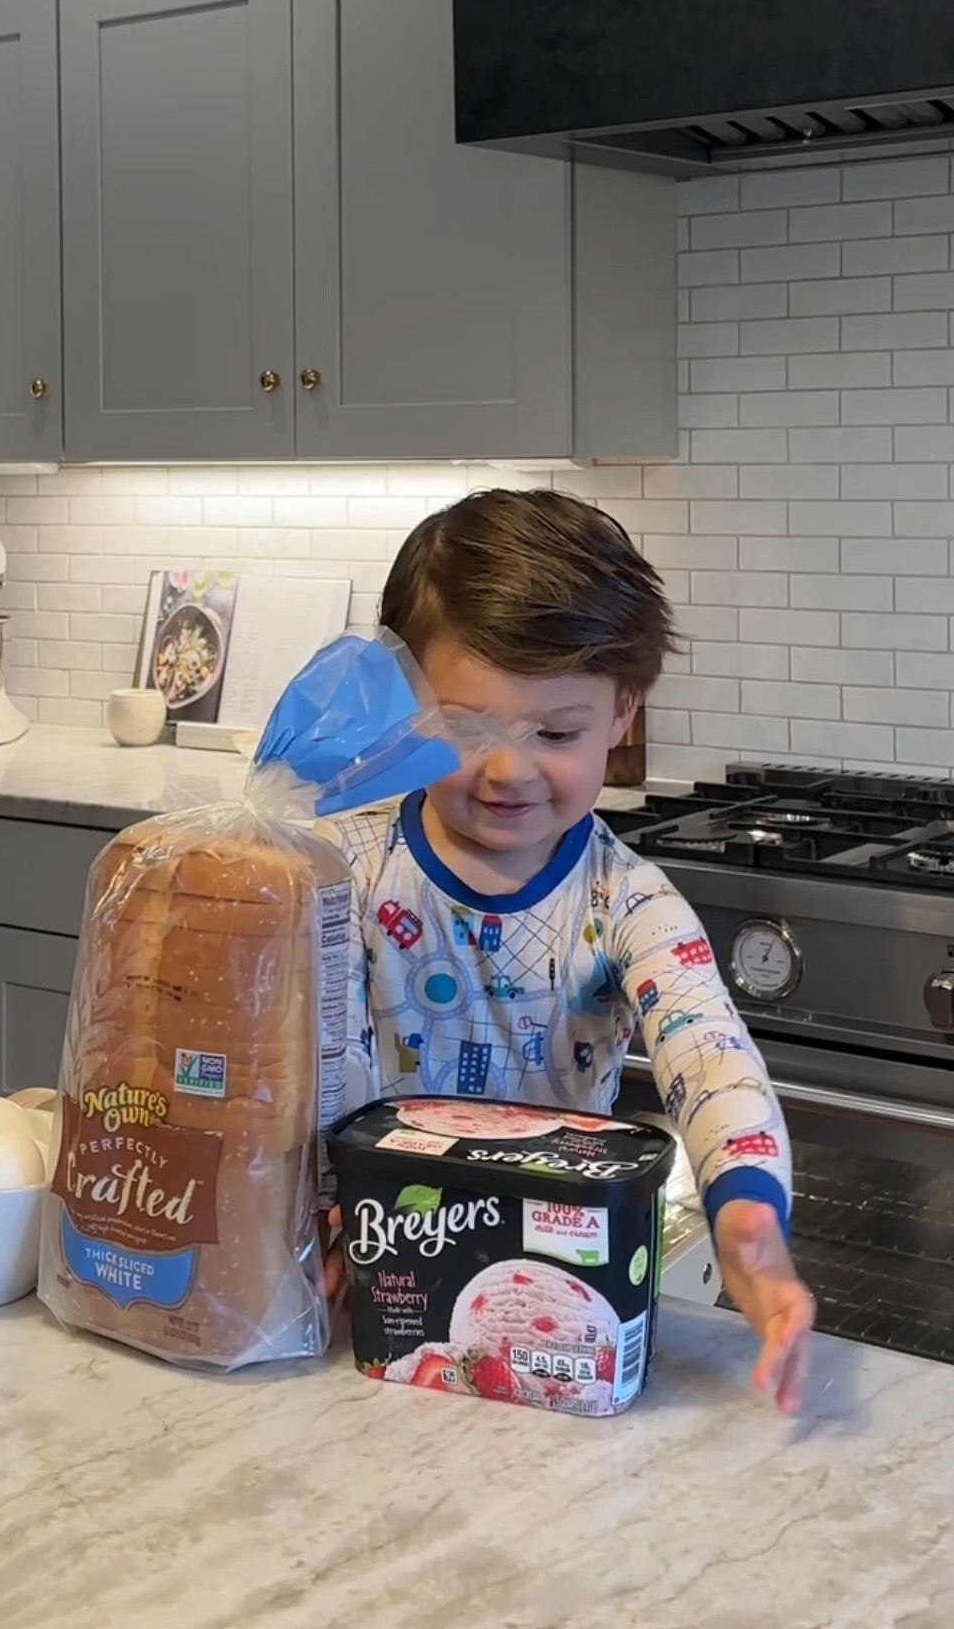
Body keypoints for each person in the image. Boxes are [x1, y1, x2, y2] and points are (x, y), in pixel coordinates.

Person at [322, 488, 814, 1414]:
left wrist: (749, 1220)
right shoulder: (342, 874)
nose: (510, 772)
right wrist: (300, 1224)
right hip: (372, 1286)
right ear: (406, 704)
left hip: (557, 1297)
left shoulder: (626, 903)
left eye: (556, 733)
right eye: (468, 729)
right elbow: (283, 1074)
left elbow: (710, 1057)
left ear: (623, 713)